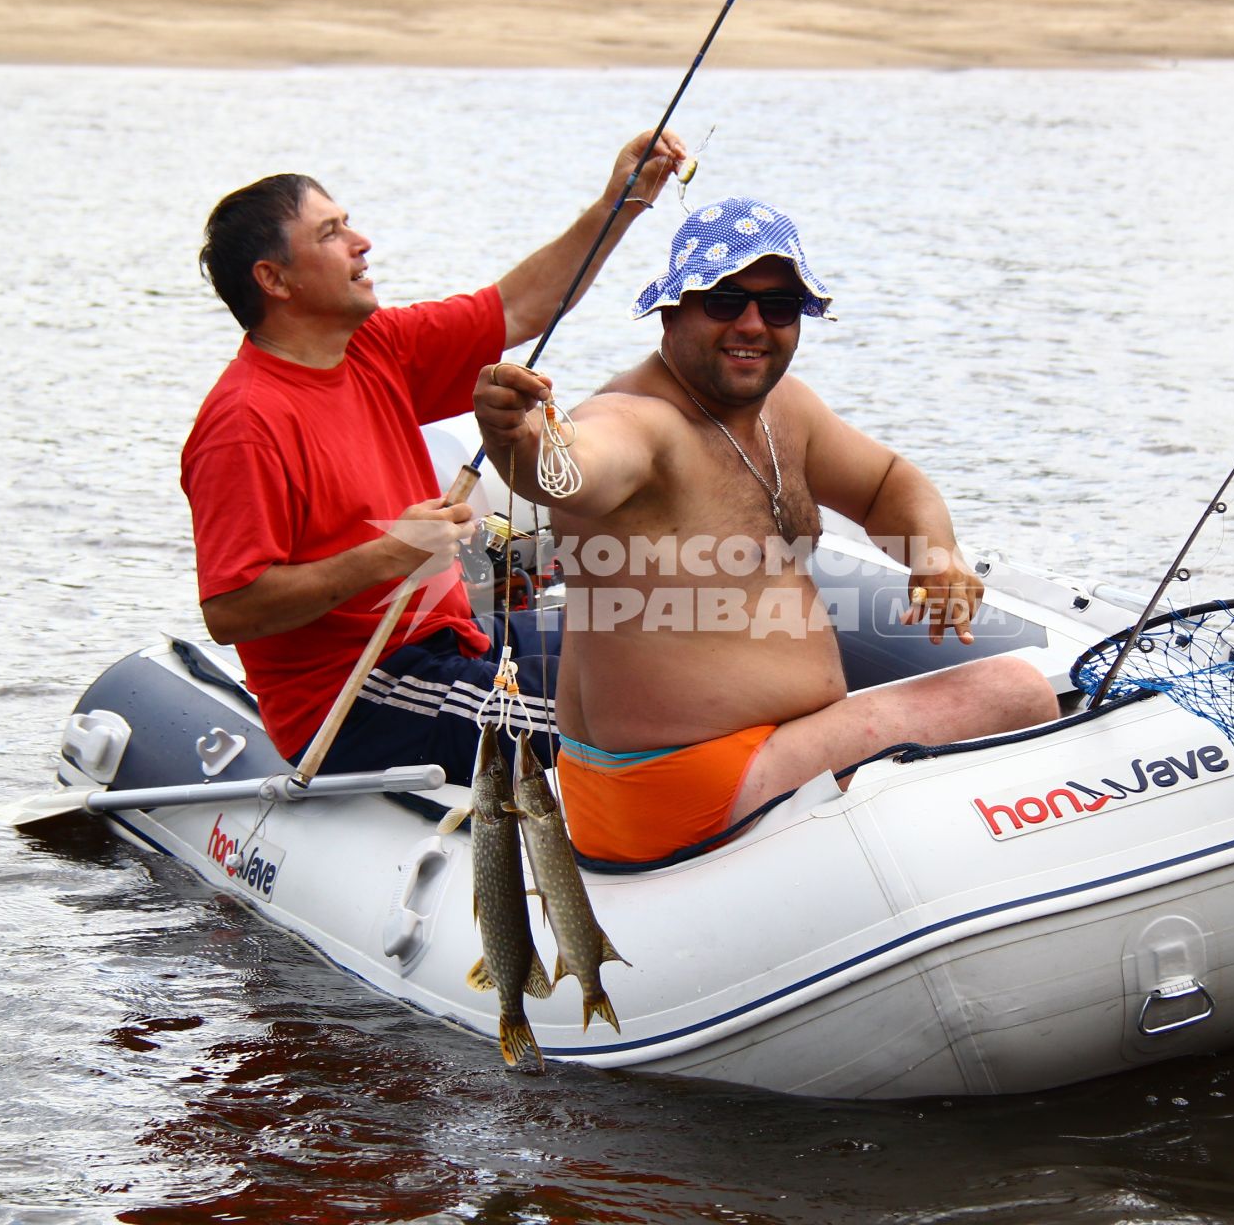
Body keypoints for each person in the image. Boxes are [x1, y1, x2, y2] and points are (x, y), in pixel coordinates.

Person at [473, 196, 1058, 861]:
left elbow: (889, 481)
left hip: (765, 757)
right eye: (725, 300)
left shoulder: (787, 409)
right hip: (679, 792)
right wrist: (513, 433)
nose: (752, 323)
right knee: (1017, 692)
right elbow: (567, 468)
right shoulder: (636, 419)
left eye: (778, 307)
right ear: (673, 308)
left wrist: (935, 553)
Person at [182, 129, 689, 784]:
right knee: (627, 722)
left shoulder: (372, 346)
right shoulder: (243, 422)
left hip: (457, 642)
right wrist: (389, 554)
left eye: (348, 224)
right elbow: (231, 610)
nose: (361, 243)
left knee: (677, 652)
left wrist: (620, 203)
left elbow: (520, 306)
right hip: (364, 695)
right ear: (273, 279)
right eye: (331, 233)